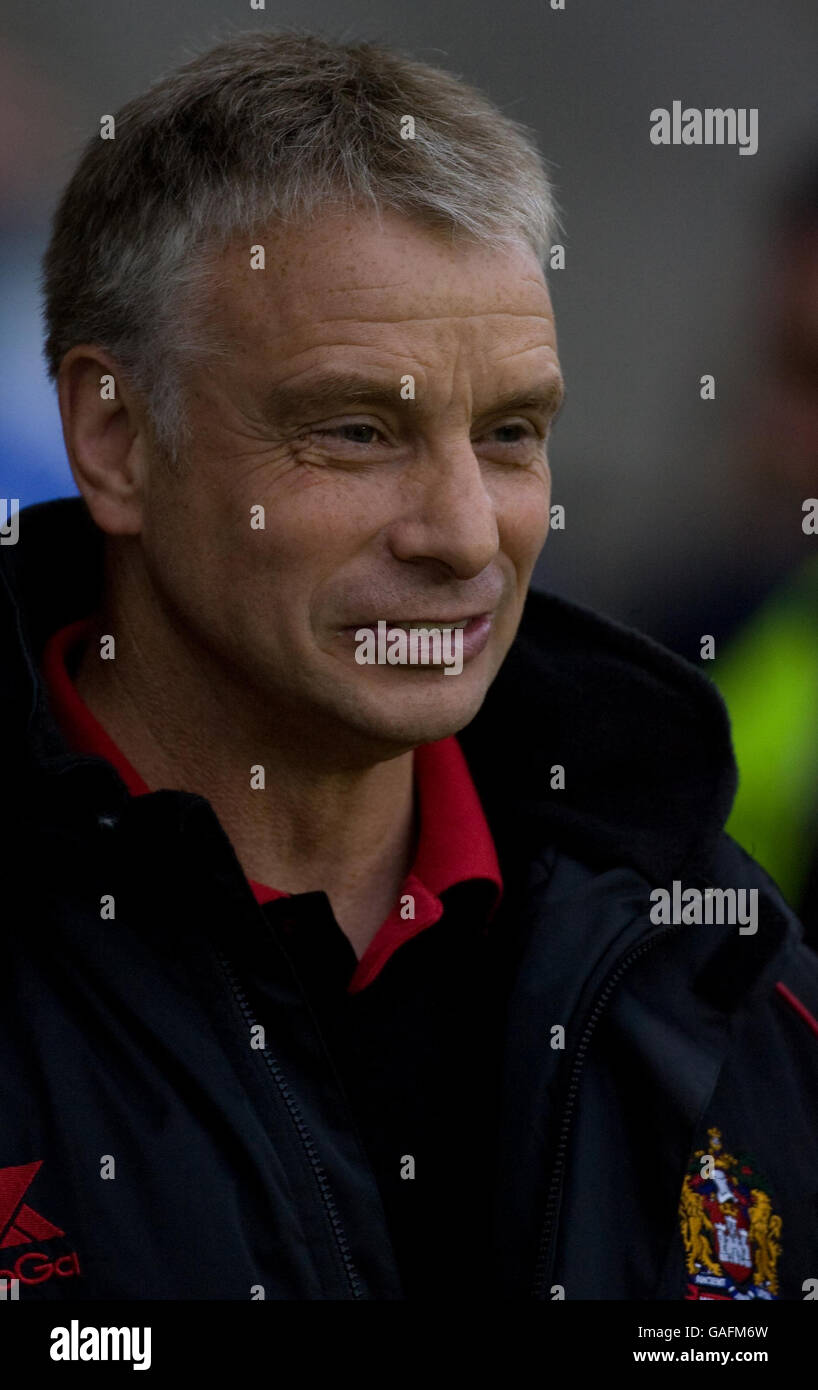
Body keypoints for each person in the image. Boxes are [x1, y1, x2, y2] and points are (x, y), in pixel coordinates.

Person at [1, 30, 816, 1302]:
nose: (458, 532)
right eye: (355, 429)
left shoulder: (715, 961)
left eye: (508, 434)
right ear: (113, 436)